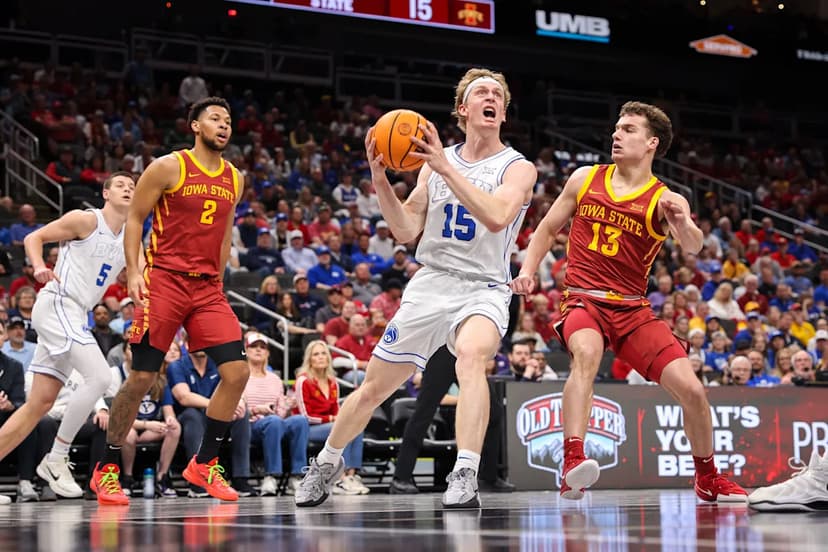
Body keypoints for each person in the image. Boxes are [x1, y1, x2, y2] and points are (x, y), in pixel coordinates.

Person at [294, 68, 536, 509]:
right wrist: (380, 178)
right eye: (481, 92)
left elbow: (498, 217)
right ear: (462, 109)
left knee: (472, 357)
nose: (491, 98)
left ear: (503, 112)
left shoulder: (517, 168)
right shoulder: (432, 166)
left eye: (497, 95)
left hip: (484, 286)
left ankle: (465, 472)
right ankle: (325, 464)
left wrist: (444, 166)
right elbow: (405, 228)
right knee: (373, 388)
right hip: (431, 282)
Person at [511, 101, 747, 502]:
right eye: (617, 128)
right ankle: (572, 461)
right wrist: (528, 270)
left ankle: (707, 476)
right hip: (584, 299)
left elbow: (693, 245)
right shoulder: (585, 178)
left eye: (628, 129)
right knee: (586, 355)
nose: (616, 134)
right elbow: (548, 228)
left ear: (652, 143)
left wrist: (682, 222)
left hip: (633, 309)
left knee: (692, 390)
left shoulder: (665, 198)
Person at [91, 97, 249, 505]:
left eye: (228, 120)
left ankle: (204, 463)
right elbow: (135, 218)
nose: (224, 125)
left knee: (237, 373)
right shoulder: (168, 166)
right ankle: (107, 468)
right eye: (215, 118)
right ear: (195, 126)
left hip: (207, 287)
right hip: (164, 280)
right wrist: (134, 270)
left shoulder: (235, 178)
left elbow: (225, 232)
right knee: (142, 377)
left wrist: (220, 280)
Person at [0, 172, 134, 500]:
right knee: (101, 377)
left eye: (133, 186)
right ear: (106, 193)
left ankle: (54, 459)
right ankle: (56, 458)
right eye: (120, 185)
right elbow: (34, 238)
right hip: (58, 303)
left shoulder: (131, 235)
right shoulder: (85, 220)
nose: (128, 189)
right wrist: (38, 266)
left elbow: (138, 276)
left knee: (39, 404)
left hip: (76, 314)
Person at [294, 340, 368, 496]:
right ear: (309, 359)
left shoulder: (333, 382)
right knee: (341, 429)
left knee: (356, 427)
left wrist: (337, 419)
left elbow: (336, 410)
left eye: (323, 354)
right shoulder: (303, 381)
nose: (321, 357)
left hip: (329, 425)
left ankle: (351, 475)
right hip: (308, 428)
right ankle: (339, 479)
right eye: (316, 354)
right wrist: (331, 419)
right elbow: (305, 415)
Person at [243, 331, 309, 496]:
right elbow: (234, 408)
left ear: (267, 353)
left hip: (274, 422)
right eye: (254, 347)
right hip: (249, 424)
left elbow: (280, 413)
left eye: (262, 347)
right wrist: (256, 410)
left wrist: (287, 406)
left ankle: (296, 476)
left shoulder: (275, 380)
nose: (258, 350)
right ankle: (270, 476)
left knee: (300, 420)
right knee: (273, 422)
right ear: (246, 351)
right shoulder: (240, 376)